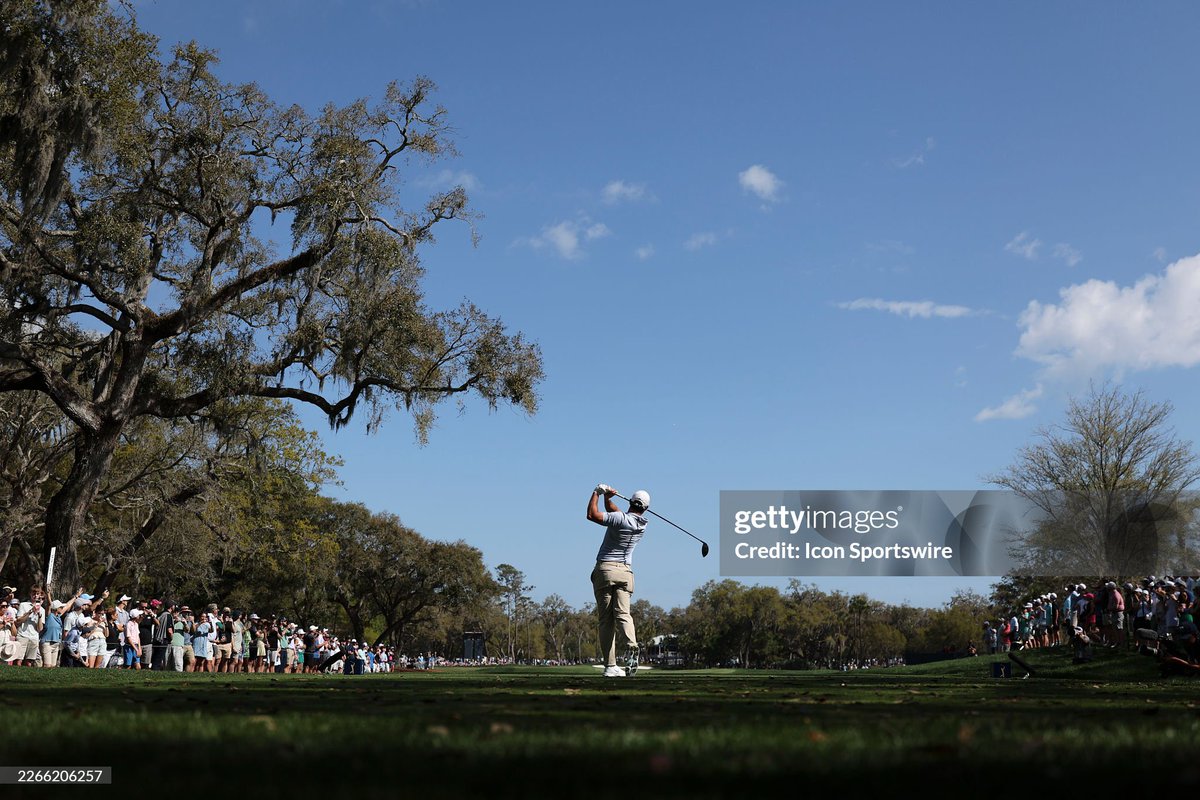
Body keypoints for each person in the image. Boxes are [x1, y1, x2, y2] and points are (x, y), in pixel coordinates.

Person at [586, 483, 649, 677]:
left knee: (606, 620)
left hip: (605, 570)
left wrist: (597, 492)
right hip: (625, 573)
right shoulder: (642, 525)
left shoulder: (620, 519)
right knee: (623, 614)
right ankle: (632, 645)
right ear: (645, 508)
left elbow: (592, 515)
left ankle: (610, 666)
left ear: (631, 501)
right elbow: (617, 514)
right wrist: (608, 499)